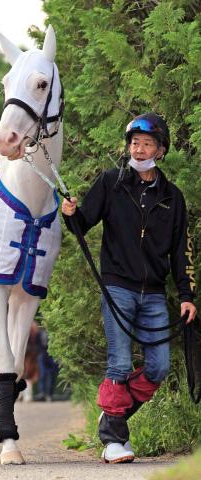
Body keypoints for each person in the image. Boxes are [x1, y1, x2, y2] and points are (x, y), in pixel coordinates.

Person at [62, 113, 197, 463]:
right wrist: (70, 213)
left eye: (147, 144)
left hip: (153, 293)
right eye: (134, 143)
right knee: (119, 364)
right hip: (118, 288)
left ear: (161, 150)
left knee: (158, 367)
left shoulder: (172, 197)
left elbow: (183, 252)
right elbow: (82, 223)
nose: (139, 150)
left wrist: (187, 296)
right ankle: (113, 441)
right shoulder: (111, 183)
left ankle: (113, 415)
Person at [36, 326, 58, 401]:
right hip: (42, 353)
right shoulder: (40, 332)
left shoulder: (56, 331)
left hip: (53, 354)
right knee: (42, 374)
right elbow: (37, 343)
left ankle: (50, 394)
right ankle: (42, 393)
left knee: (52, 374)